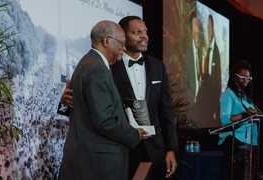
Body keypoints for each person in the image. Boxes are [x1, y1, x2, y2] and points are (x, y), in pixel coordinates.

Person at [58, 16, 179, 180]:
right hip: (120, 149)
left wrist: (171, 148)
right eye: (137, 32)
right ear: (120, 36)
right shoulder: (105, 65)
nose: (144, 36)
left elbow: (165, 111)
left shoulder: (158, 67)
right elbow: (89, 110)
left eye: (145, 31)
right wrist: (64, 102)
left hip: (153, 150)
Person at [218, 59, 258, 180]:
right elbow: (225, 119)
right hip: (234, 142)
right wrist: (246, 114)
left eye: (248, 78)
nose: (246, 81)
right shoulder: (228, 94)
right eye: (243, 77)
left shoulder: (245, 97)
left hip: (249, 142)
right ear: (235, 76)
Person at [184, 17, 202, 106]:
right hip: (191, 102)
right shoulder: (187, 51)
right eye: (195, 34)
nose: (197, 37)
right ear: (191, 33)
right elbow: (185, 83)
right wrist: (193, 98)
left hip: (200, 101)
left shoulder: (199, 52)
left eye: (198, 34)